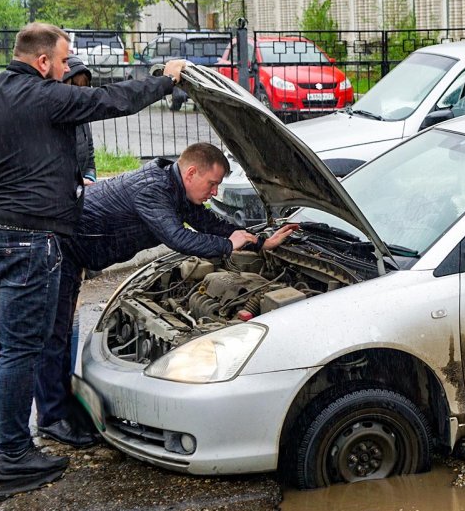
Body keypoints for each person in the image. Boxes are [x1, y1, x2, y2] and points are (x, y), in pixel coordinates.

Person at [0, 21, 186, 484]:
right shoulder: (45, 95)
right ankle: (16, 457)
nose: (65, 71)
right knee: (21, 349)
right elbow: (112, 100)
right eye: (62, 62)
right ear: (42, 61)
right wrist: (167, 78)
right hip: (28, 238)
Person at [35, 142, 299, 446]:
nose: (214, 192)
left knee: (60, 332)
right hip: (58, 248)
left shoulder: (177, 187)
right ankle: (52, 419)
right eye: (212, 183)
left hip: (73, 252)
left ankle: (61, 405)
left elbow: (209, 223)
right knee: (54, 335)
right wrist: (228, 247)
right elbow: (177, 237)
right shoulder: (153, 190)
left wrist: (260, 242)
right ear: (190, 173)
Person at [63, 56, 97, 185]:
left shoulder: (81, 116)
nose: (80, 94)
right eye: (75, 87)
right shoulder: (54, 118)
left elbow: (90, 154)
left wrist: (90, 177)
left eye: (84, 88)